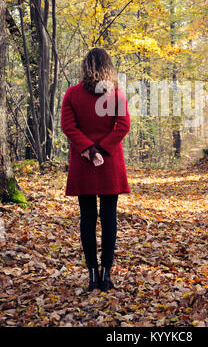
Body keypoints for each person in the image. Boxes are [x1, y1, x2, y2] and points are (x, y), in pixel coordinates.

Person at [61, 47, 131, 292]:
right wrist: (101, 150)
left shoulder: (71, 94)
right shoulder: (116, 94)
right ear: (108, 66)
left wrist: (90, 150)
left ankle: (93, 274)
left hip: (83, 162)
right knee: (109, 217)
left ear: (85, 66)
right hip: (109, 162)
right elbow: (122, 127)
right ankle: (107, 275)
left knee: (88, 218)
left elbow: (68, 127)